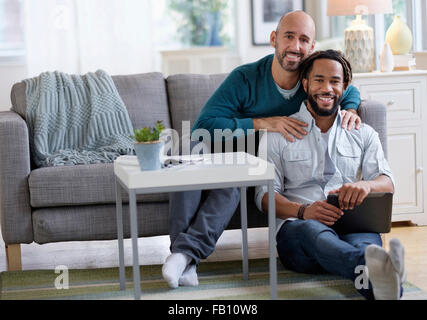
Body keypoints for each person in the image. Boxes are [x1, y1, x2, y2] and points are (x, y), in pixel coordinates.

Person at [162, 11, 362, 289]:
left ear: (312, 47)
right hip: (223, 152)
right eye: (289, 37)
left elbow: (348, 89)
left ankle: (183, 257)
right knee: (187, 148)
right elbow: (203, 127)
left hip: (256, 167)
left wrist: (351, 109)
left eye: (304, 40)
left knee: (235, 182)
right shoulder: (245, 77)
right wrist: (263, 123)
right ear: (274, 39)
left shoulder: (312, 82)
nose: (296, 46)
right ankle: (185, 256)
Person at [254, 49, 406, 300]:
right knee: (313, 233)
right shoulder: (277, 134)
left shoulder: (363, 132)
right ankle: (377, 267)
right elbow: (264, 197)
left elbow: (387, 182)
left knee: (365, 249)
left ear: (344, 87)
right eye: (319, 80)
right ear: (305, 84)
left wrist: (366, 186)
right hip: (300, 231)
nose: (327, 88)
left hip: (354, 224)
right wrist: (303, 211)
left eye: (335, 81)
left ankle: (383, 285)